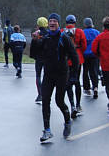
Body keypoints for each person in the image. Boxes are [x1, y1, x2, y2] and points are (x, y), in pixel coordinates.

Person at [39, 13, 79, 142]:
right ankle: (47, 130)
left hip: (62, 74)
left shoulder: (64, 38)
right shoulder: (45, 38)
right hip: (48, 74)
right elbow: (35, 55)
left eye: (55, 21)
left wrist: (73, 75)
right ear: (48, 24)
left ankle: (67, 121)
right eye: (50, 21)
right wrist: (35, 41)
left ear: (58, 24)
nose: (52, 23)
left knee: (59, 101)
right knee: (45, 100)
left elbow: (75, 57)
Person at [61, 15, 87, 118]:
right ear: (75, 22)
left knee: (68, 84)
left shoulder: (62, 31)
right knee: (76, 81)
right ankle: (78, 104)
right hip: (78, 58)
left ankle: (72, 105)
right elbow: (84, 45)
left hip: (66, 60)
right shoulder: (80, 32)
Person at [30, 17, 48, 103]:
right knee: (47, 76)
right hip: (47, 58)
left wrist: (33, 56)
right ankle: (46, 93)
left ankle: (40, 94)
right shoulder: (49, 34)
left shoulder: (35, 34)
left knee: (38, 76)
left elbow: (32, 47)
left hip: (38, 58)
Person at [82, 17, 100, 99]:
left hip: (85, 55)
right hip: (94, 54)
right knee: (94, 71)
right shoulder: (97, 32)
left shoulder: (83, 32)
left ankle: (87, 88)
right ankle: (95, 87)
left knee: (85, 71)